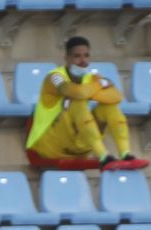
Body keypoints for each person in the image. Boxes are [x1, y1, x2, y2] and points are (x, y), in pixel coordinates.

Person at [25, 36, 141, 169]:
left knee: (110, 107)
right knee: (77, 102)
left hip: (77, 145)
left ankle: (125, 153)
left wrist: (93, 86)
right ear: (67, 58)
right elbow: (77, 93)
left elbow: (116, 96)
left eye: (86, 56)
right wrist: (100, 84)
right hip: (49, 145)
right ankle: (103, 155)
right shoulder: (54, 77)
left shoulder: (91, 78)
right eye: (77, 56)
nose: (83, 61)